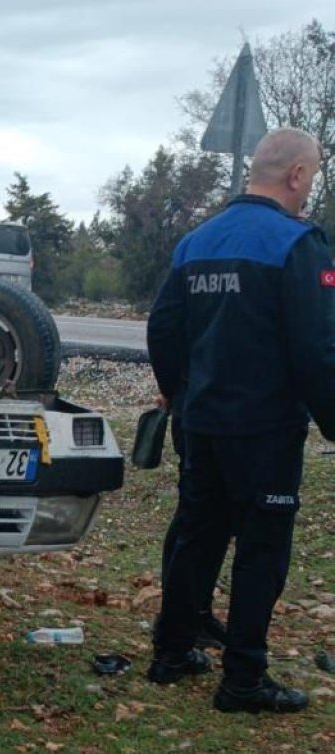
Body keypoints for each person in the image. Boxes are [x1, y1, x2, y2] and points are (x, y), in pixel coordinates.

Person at [146, 127, 334, 714]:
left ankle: (171, 654)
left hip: (201, 424)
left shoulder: (196, 242)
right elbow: (318, 349)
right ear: (296, 175)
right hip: (266, 430)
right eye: (314, 175)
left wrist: (179, 395)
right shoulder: (297, 244)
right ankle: (244, 681)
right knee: (261, 550)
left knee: (197, 536)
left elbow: (163, 330)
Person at [155, 397, 229, 650]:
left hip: (206, 408)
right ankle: (179, 619)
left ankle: (196, 612)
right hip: (198, 409)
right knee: (195, 519)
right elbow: (164, 356)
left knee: (216, 520)